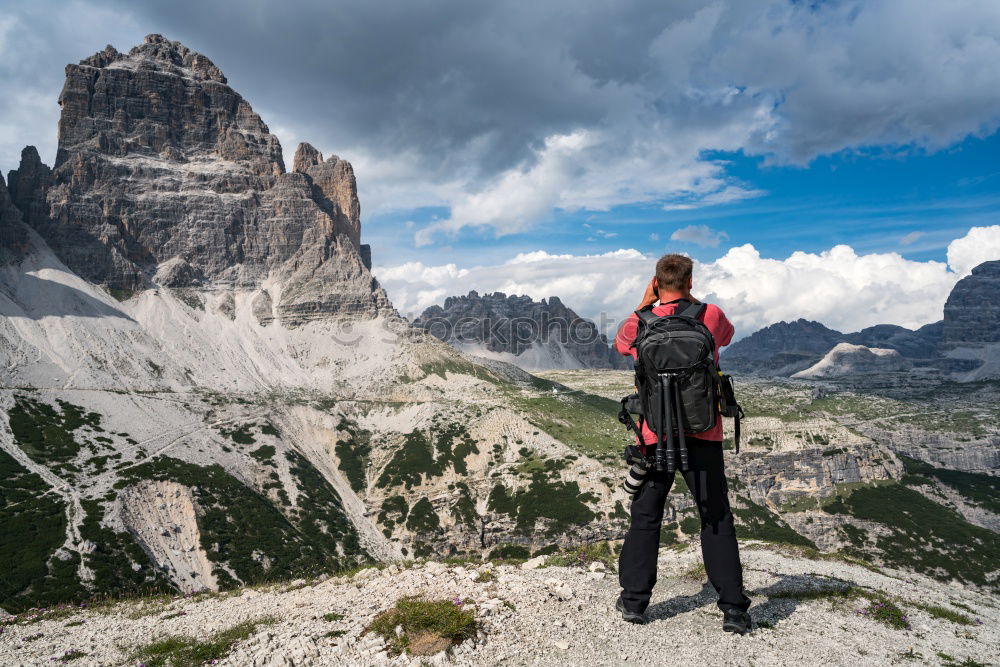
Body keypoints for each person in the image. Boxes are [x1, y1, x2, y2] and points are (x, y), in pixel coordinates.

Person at [612, 253, 752, 634]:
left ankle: (635, 602)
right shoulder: (712, 316)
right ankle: (734, 609)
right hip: (703, 434)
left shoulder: (637, 324)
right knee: (715, 517)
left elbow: (620, 345)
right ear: (691, 281)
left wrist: (646, 304)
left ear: (656, 283)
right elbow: (727, 336)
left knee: (646, 517)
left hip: (654, 436)